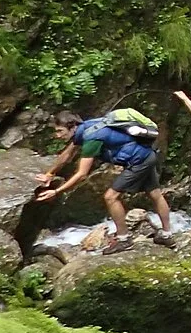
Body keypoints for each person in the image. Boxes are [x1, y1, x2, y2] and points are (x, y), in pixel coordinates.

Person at [36, 107, 173, 252]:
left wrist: (56, 191)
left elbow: (82, 173)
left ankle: (124, 239)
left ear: (72, 127)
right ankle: (166, 234)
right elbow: (67, 154)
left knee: (110, 197)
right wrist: (50, 174)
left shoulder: (92, 138)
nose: (57, 135)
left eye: (60, 131)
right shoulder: (88, 128)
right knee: (155, 194)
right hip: (146, 155)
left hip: (139, 161)